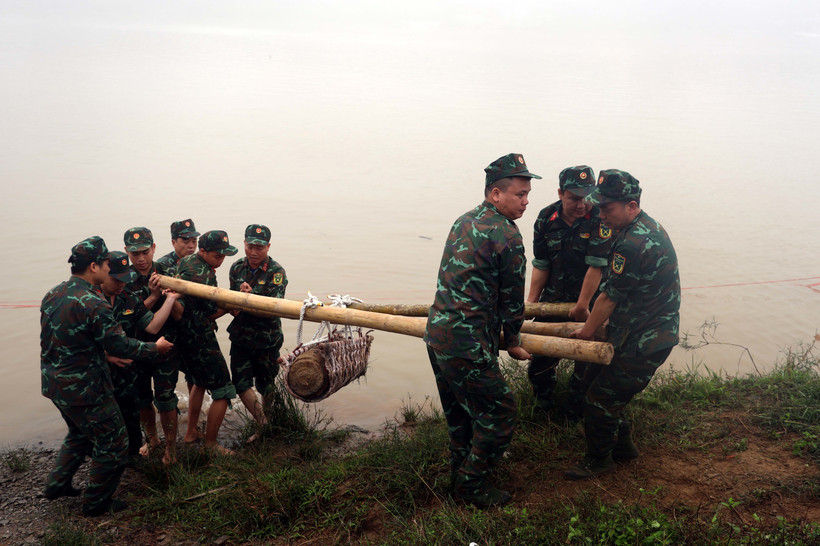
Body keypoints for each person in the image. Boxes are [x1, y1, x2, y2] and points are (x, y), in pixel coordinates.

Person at [424, 153, 540, 508]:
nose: (526, 201)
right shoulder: (507, 234)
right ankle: (471, 486)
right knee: (500, 414)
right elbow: (511, 301)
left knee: (460, 415)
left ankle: (457, 474)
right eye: (519, 194)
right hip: (468, 343)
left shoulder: (464, 220)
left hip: (437, 334)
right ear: (495, 194)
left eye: (527, 193)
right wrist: (515, 341)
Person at [41, 237, 173, 516]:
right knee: (115, 442)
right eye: (103, 263)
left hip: (54, 384)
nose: (106, 268)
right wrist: (155, 348)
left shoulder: (53, 293)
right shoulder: (93, 302)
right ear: (93, 266)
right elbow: (120, 345)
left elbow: (55, 342)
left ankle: (56, 484)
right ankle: (96, 503)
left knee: (79, 433)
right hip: (86, 387)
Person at [565, 169, 680, 480]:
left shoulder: (634, 243)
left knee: (599, 397)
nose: (600, 215)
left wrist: (586, 333)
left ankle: (599, 460)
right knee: (593, 381)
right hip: (633, 331)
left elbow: (609, 297)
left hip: (646, 340)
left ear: (631, 205)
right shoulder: (640, 226)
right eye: (599, 207)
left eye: (607, 208)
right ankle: (623, 446)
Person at [526, 165, 613, 420]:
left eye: (587, 197)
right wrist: (531, 303)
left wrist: (582, 306)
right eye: (575, 198)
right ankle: (543, 409)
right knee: (540, 363)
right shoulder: (545, 218)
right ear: (561, 193)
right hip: (553, 300)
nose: (582, 204)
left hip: (590, 305)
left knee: (585, 366)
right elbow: (541, 264)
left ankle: (574, 415)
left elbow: (596, 267)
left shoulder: (600, 219)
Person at [99, 251, 181, 465]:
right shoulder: (91, 299)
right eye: (116, 279)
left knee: (162, 400)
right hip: (105, 370)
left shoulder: (128, 297)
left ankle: (164, 450)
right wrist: (106, 356)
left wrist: (169, 299)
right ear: (102, 273)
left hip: (133, 360)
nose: (120, 284)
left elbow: (152, 325)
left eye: (124, 280)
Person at [175, 230, 238, 455]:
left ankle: (191, 432)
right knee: (223, 388)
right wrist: (232, 304)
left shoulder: (188, 261)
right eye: (217, 256)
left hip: (183, 336)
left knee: (198, 381)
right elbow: (211, 313)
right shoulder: (202, 275)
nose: (221, 260)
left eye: (224, 256)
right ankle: (211, 445)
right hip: (198, 336)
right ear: (203, 251)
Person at [123, 227, 184, 458]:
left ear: (154, 249)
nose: (140, 258)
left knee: (166, 399)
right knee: (142, 399)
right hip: (137, 347)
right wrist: (153, 296)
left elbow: (179, 314)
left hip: (166, 348)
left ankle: (171, 448)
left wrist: (172, 295)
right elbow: (129, 319)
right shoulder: (123, 279)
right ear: (127, 252)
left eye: (145, 252)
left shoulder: (168, 272)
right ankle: (152, 440)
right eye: (134, 253)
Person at [228, 224, 288, 440]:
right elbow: (232, 305)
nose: (254, 252)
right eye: (250, 246)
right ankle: (263, 424)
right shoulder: (236, 268)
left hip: (267, 338)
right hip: (241, 336)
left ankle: (269, 419)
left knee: (267, 385)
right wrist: (237, 301)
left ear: (268, 247)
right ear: (244, 244)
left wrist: (249, 297)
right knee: (241, 383)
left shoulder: (276, 272)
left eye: (259, 248)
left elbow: (274, 307)